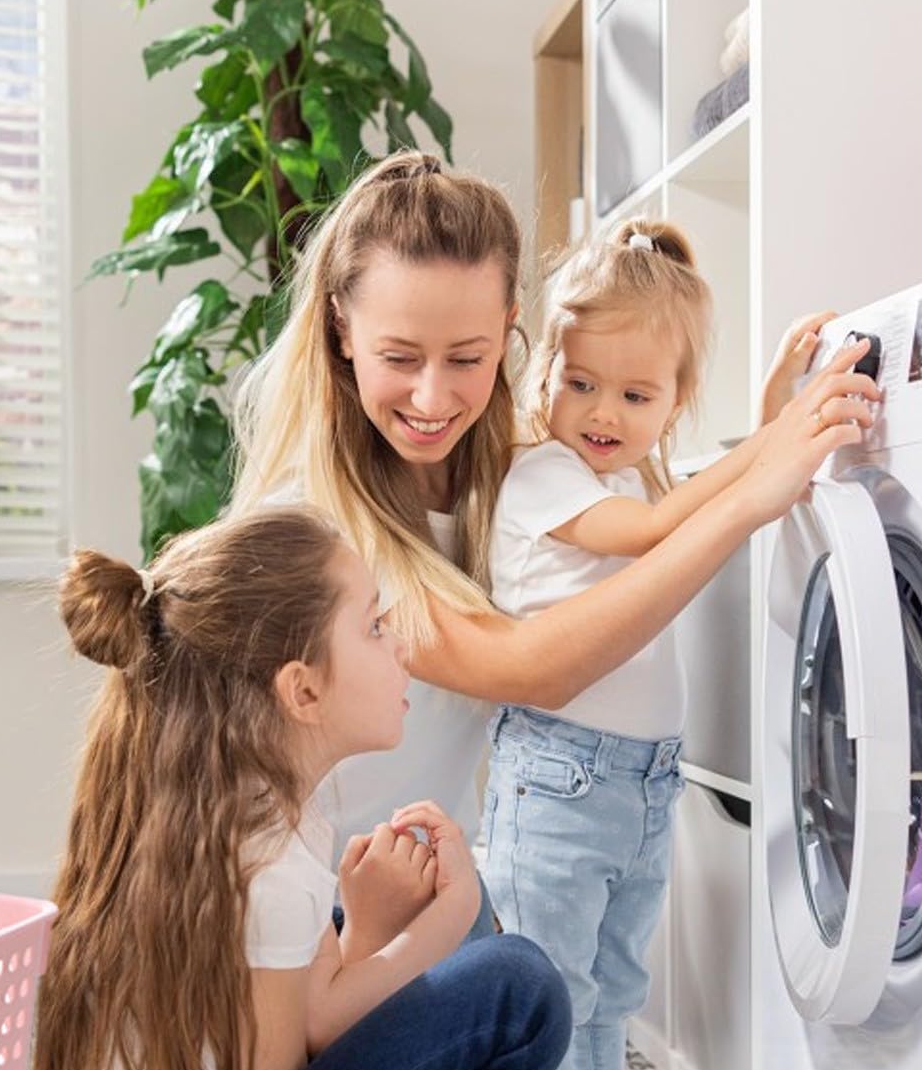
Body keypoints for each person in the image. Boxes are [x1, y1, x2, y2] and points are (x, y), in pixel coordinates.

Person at [36, 507, 570, 1070]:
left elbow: (292, 1037)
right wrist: (441, 921)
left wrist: (368, 931)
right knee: (515, 986)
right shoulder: (261, 854)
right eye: (371, 624)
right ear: (302, 690)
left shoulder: (250, 811)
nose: (397, 639)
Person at [230, 151, 879, 859]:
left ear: (511, 329)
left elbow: (646, 498)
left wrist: (765, 434)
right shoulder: (315, 530)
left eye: (467, 358)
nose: (432, 397)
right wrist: (756, 488)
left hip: (431, 899)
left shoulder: (514, 474)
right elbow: (534, 667)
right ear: (340, 332)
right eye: (401, 357)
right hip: (311, 919)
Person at [479, 219, 867, 1070]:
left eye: (637, 397)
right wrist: (772, 452)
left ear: (672, 403)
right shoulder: (544, 477)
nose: (602, 413)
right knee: (555, 992)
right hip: (558, 778)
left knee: (608, 986)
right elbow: (662, 536)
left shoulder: (630, 479)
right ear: (545, 374)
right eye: (581, 383)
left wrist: (770, 419)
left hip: (634, 784)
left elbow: (681, 498)